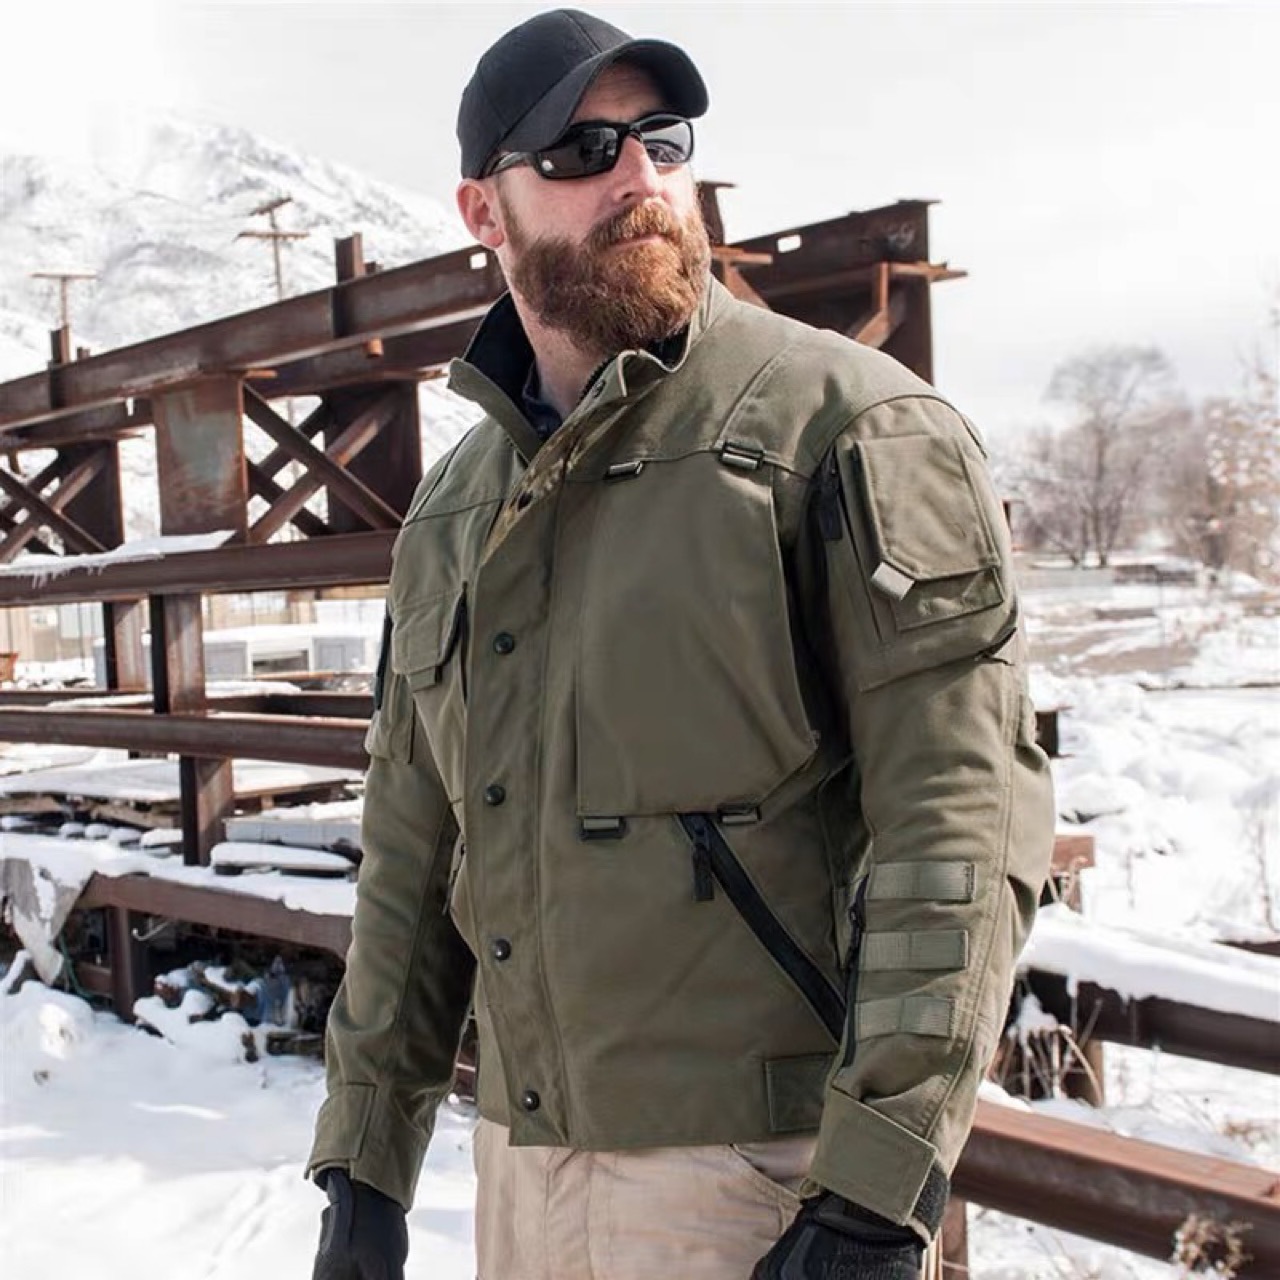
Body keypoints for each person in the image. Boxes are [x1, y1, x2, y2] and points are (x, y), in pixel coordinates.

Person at [307, 9, 1055, 1279]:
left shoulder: (850, 427)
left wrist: (874, 1185)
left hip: (766, 1184)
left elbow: (962, 816)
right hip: (520, 1177)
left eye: (661, 138)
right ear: (484, 211)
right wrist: (364, 1161)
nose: (638, 176)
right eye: (580, 150)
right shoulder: (452, 509)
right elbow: (413, 849)